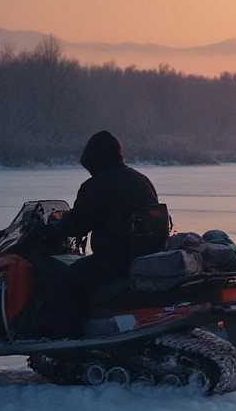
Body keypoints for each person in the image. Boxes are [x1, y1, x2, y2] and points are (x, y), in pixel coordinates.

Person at [45, 130, 160, 337]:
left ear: (95, 160)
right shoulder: (141, 180)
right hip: (145, 256)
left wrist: (55, 225)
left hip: (116, 259)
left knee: (66, 281)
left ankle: (68, 341)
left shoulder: (97, 185)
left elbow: (78, 224)